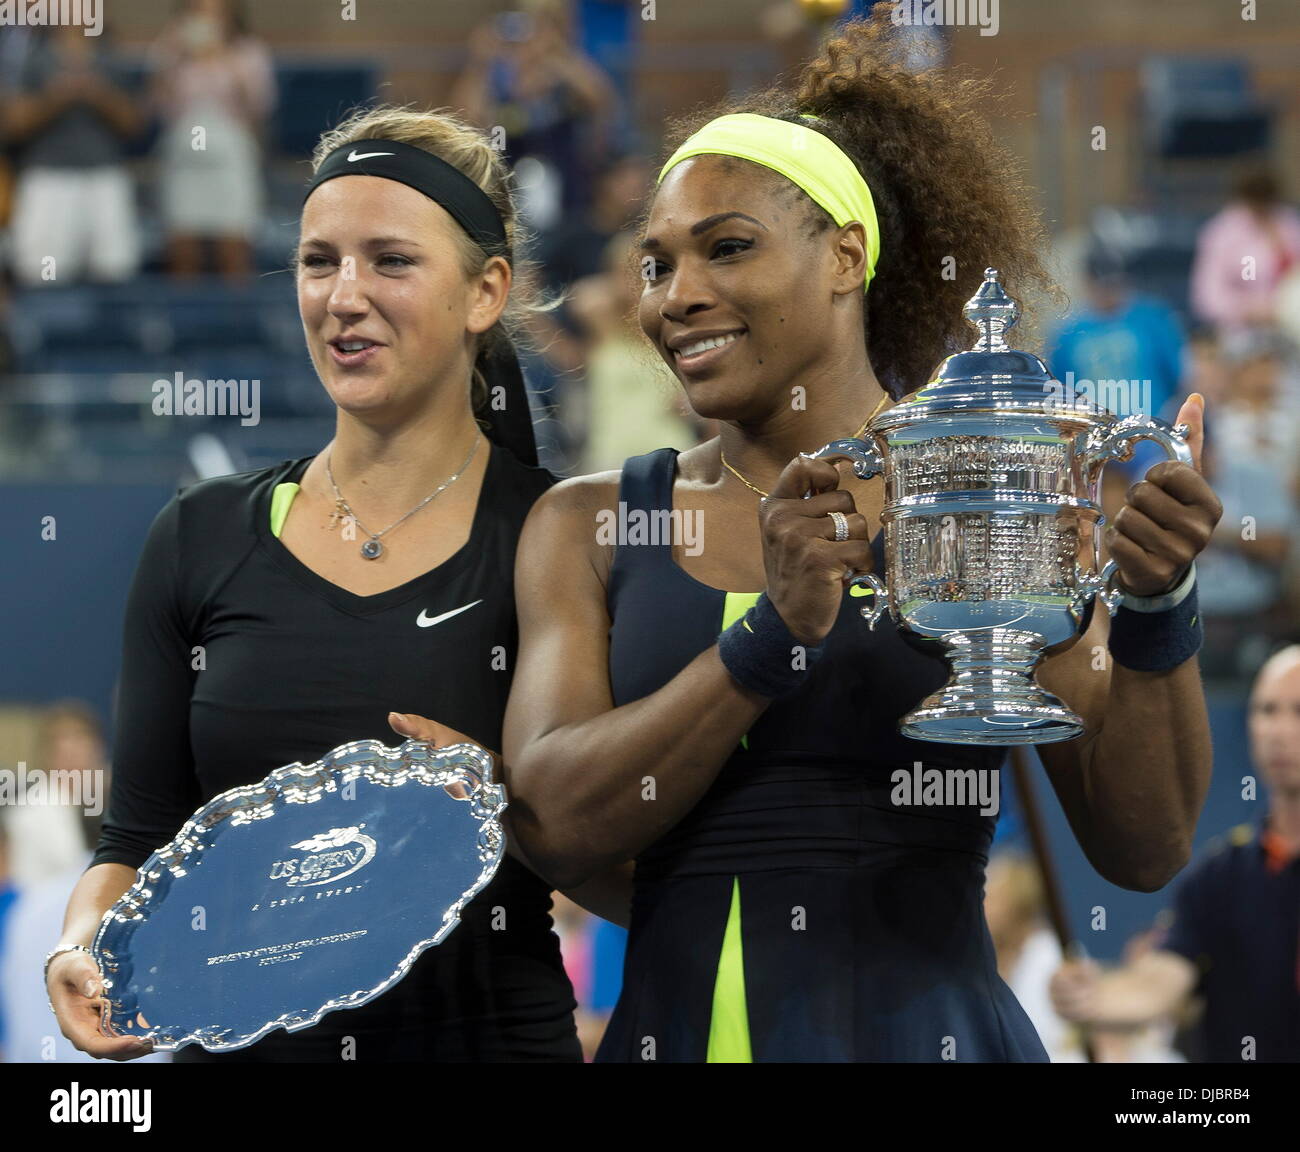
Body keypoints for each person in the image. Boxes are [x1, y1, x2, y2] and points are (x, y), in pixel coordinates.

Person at [493, 12, 1223, 1062]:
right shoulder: (590, 522)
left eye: (725, 248)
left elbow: (1143, 845)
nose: (677, 296)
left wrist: (1155, 607)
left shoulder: (986, 491)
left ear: (845, 258)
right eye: (653, 266)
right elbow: (554, 823)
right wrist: (767, 642)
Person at [44, 104, 583, 1063]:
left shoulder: (561, 534)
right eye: (318, 260)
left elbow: (627, 867)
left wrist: (507, 808)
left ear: (485, 291)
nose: (343, 294)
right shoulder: (198, 536)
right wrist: (87, 944)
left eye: (391, 260)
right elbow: (132, 840)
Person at [1050, 646, 1300, 1064]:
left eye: (1297, 711)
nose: (1279, 730)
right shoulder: (1221, 875)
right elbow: (1165, 976)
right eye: (1267, 710)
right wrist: (1096, 996)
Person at [1, 23, 144, 286]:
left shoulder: (112, 57)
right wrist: (56, 97)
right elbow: (13, 124)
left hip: (105, 176)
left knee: (114, 269)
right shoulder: (32, 56)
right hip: (48, 177)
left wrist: (98, 94)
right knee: (41, 272)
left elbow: (134, 125)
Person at [147, 0, 276, 281]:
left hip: (231, 156)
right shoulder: (169, 48)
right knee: (183, 249)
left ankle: (238, 321)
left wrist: (223, 59)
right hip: (184, 156)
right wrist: (176, 59)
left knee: (233, 248)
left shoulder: (248, 51)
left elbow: (258, 106)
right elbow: (156, 106)